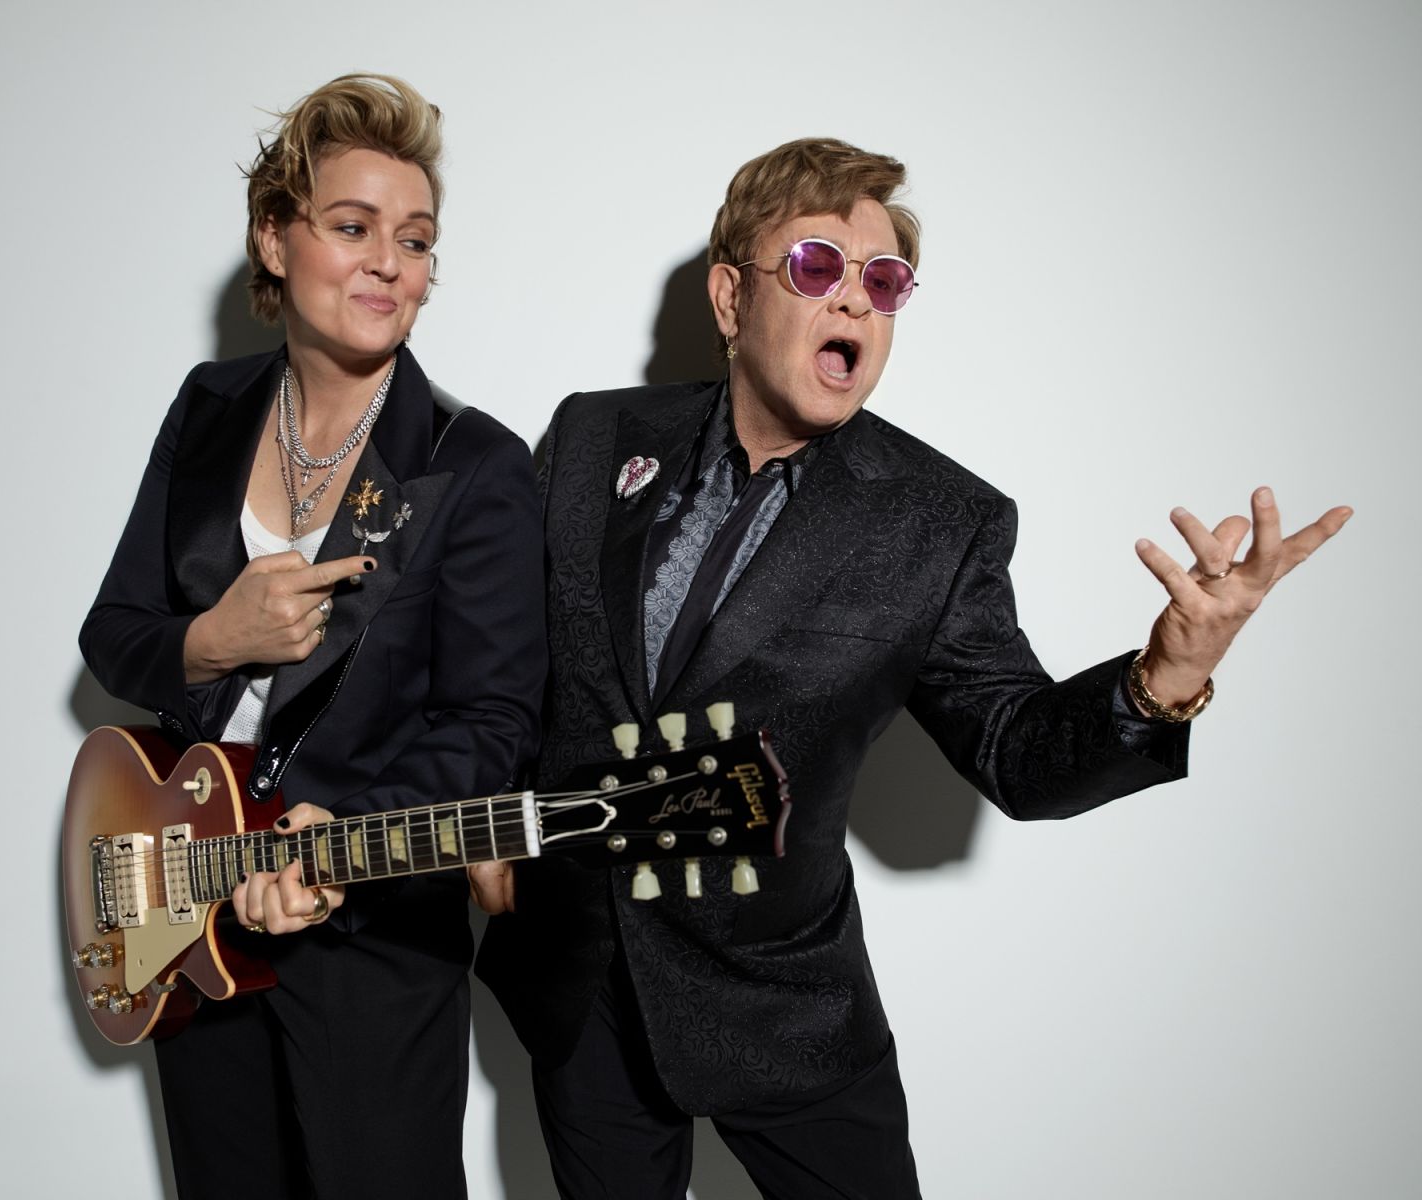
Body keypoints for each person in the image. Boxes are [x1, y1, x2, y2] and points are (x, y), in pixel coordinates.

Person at [469, 137, 1350, 1199]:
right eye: (816, 267)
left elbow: (1016, 751)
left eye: (882, 281)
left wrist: (1164, 676)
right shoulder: (592, 435)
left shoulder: (939, 521)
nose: (855, 299)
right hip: (579, 981)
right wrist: (491, 806)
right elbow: (500, 652)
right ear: (730, 297)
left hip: (781, 1008)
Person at [79, 73, 544, 1199]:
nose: (390, 263)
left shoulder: (472, 464)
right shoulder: (208, 406)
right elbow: (113, 634)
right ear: (274, 240)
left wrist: (336, 833)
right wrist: (216, 636)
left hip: (371, 930)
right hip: (188, 898)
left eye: (415, 240)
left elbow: (493, 722)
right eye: (352, 227)